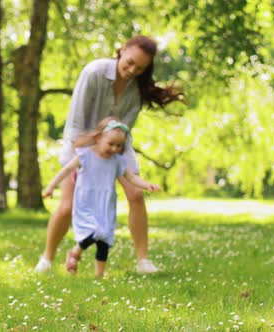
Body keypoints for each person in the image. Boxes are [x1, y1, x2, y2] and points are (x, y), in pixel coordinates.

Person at [35, 35, 184, 274]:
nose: (132, 70)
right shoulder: (94, 72)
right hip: (81, 143)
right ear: (122, 51)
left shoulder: (135, 88)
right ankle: (47, 259)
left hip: (116, 145)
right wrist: (84, 160)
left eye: (140, 68)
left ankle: (143, 261)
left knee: (135, 195)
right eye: (130, 63)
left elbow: (124, 131)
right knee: (66, 206)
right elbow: (76, 124)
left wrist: (116, 159)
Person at [43, 117, 160, 277]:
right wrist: (50, 187)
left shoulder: (117, 161)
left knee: (105, 238)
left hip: (105, 204)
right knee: (95, 231)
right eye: (111, 144)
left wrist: (146, 185)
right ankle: (76, 252)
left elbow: (131, 178)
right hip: (86, 201)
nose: (114, 148)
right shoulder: (85, 155)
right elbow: (66, 170)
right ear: (99, 138)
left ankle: (99, 276)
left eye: (119, 146)